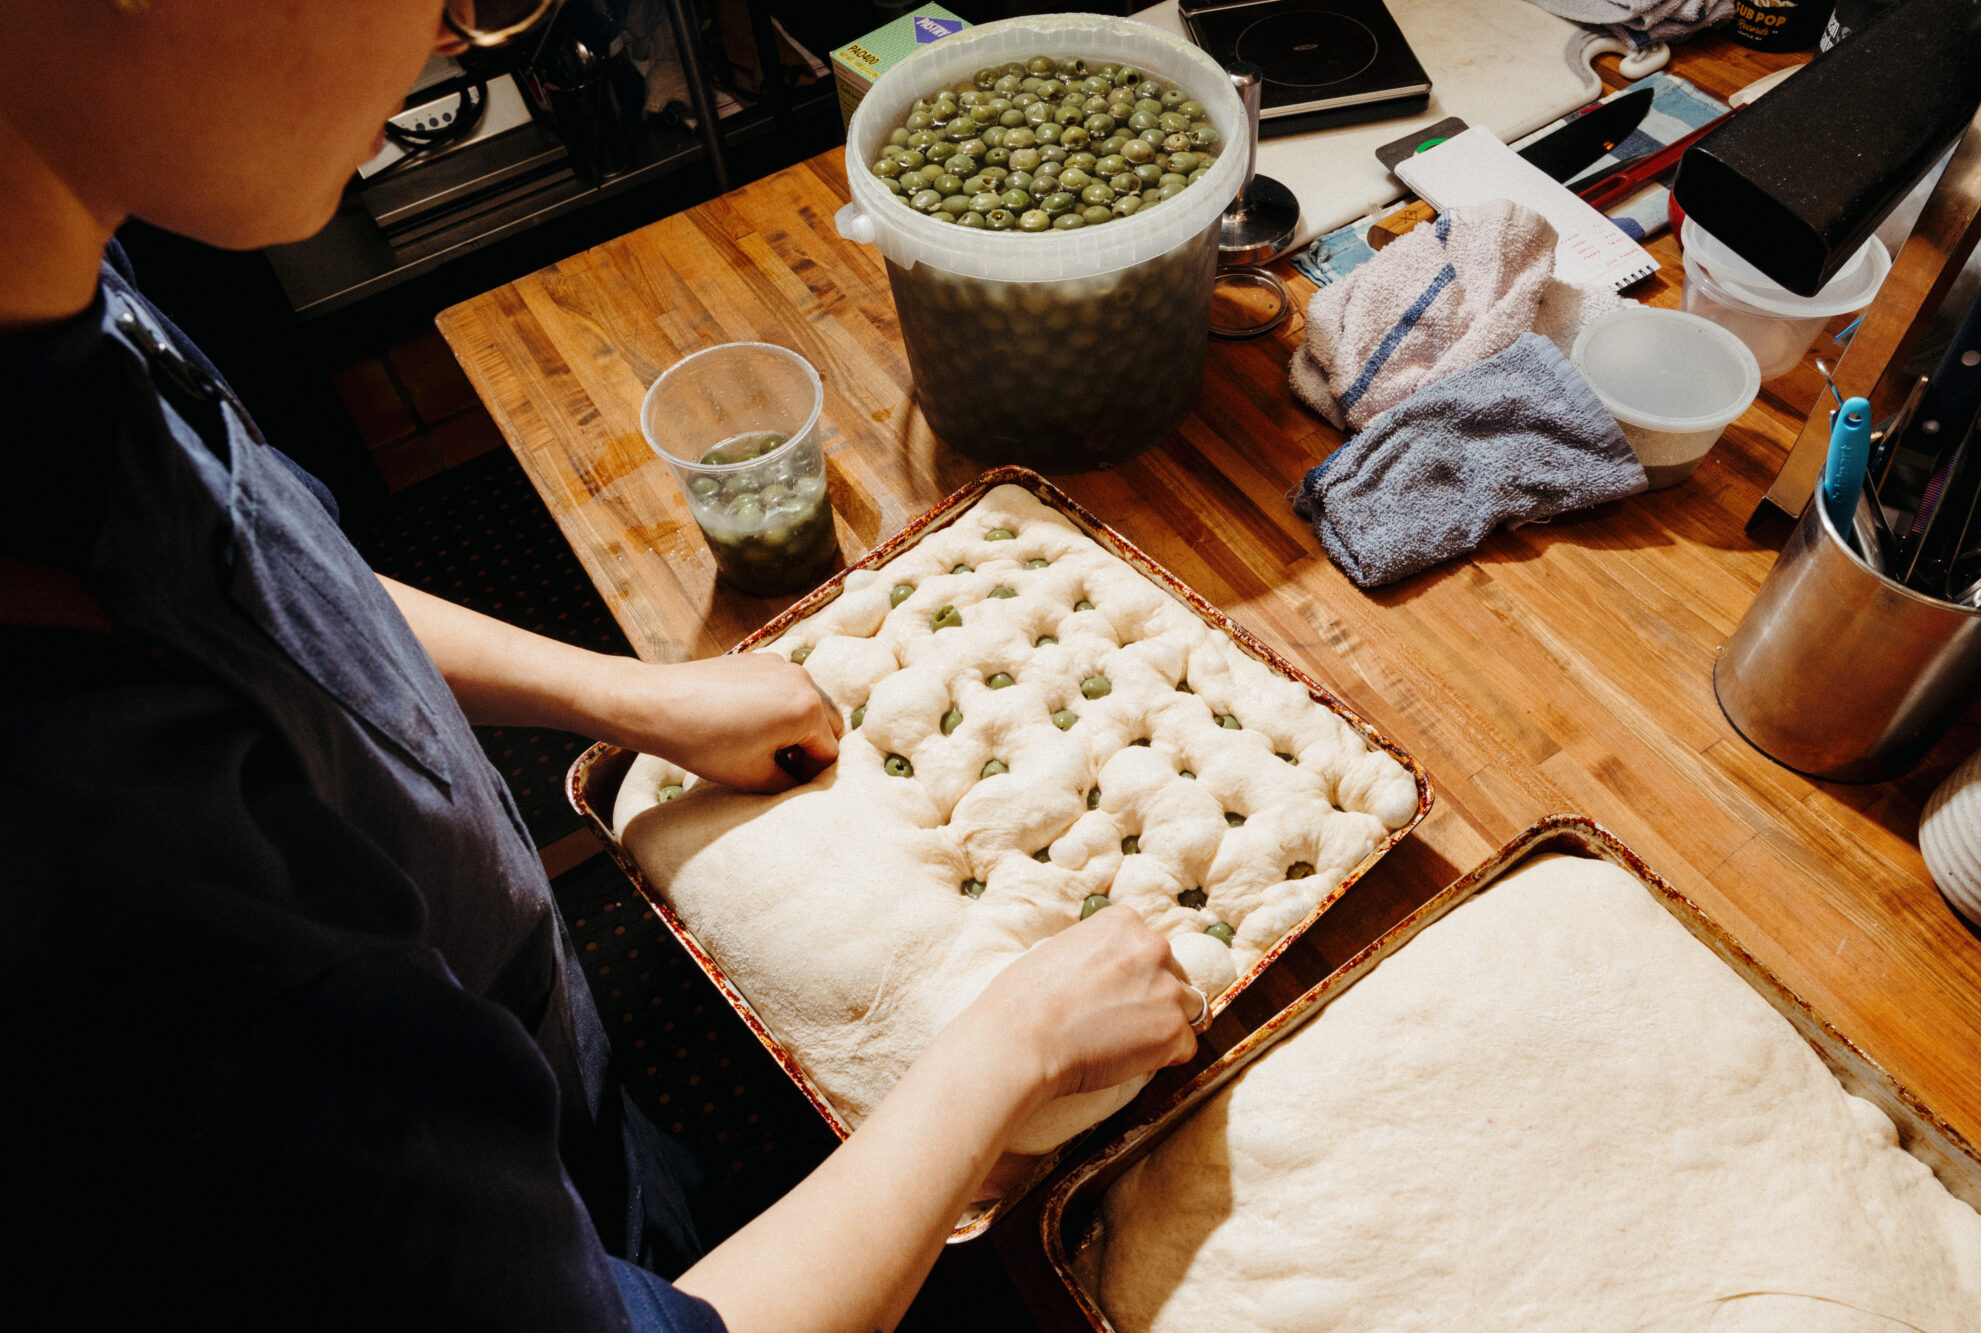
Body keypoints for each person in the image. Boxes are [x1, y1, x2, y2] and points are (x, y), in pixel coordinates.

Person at [0, 3, 1203, 1329]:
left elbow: (268, 573)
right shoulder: (140, 892)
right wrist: (1007, 1047)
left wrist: (632, 697)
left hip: (534, 1098)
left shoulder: (51, 280)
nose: (468, 36)